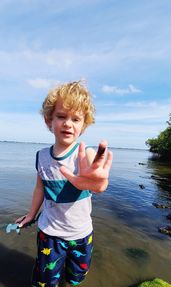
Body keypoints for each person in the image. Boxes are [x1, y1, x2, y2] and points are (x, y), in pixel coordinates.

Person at [16, 81, 113, 287]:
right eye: (61, 116)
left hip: (82, 234)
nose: (68, 124)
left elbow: (98, 184)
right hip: (50, 233)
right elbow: (40, 188)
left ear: (83, 126)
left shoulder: (84, 155)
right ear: (48, 121)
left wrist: (98, 184)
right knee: (45, 281)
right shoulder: (41, 156)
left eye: (76, 119)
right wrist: (31, 215)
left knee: (75, 279)